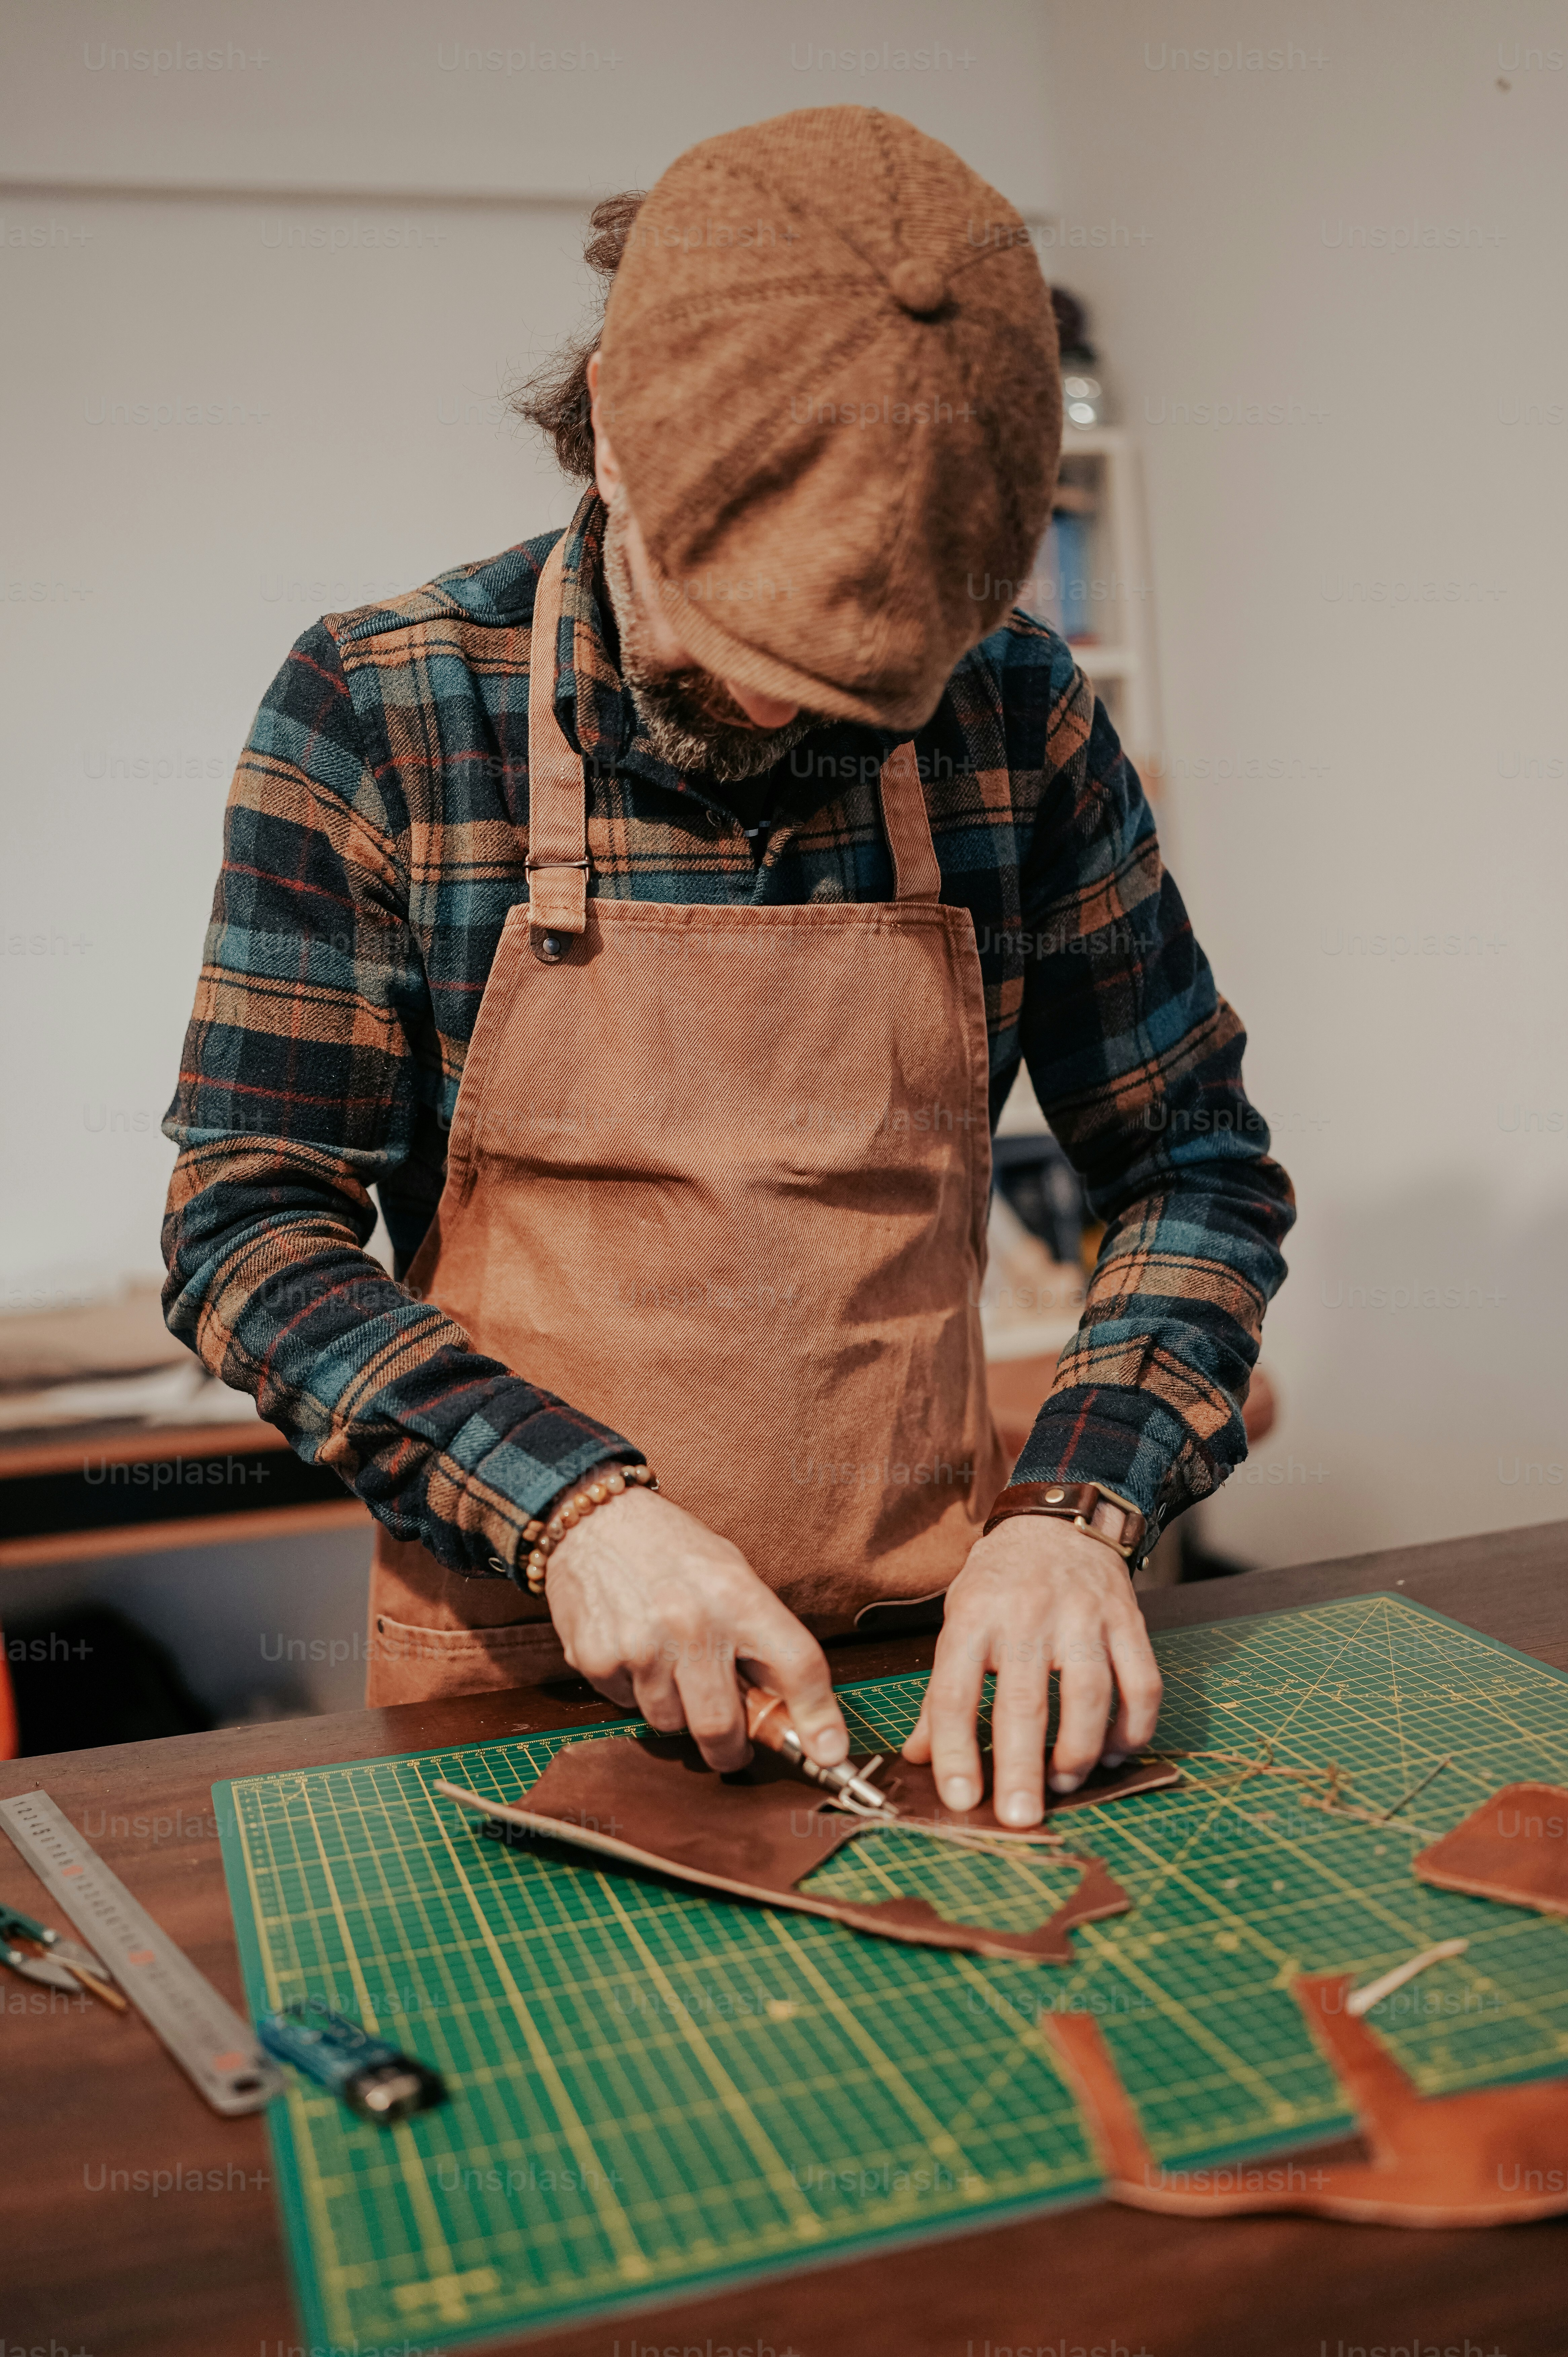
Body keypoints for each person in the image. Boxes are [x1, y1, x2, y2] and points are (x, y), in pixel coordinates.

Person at [162, 108, 1294, 1829]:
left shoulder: (1016, 715)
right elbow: (249, 1230)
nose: (783, 713)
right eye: (743, 632)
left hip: (939, 1671)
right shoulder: (385, 706)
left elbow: (1195, 1168)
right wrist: (581, 1513)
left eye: (856, 680)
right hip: (521, 1676)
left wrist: (1071, 1516)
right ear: (614, 425)